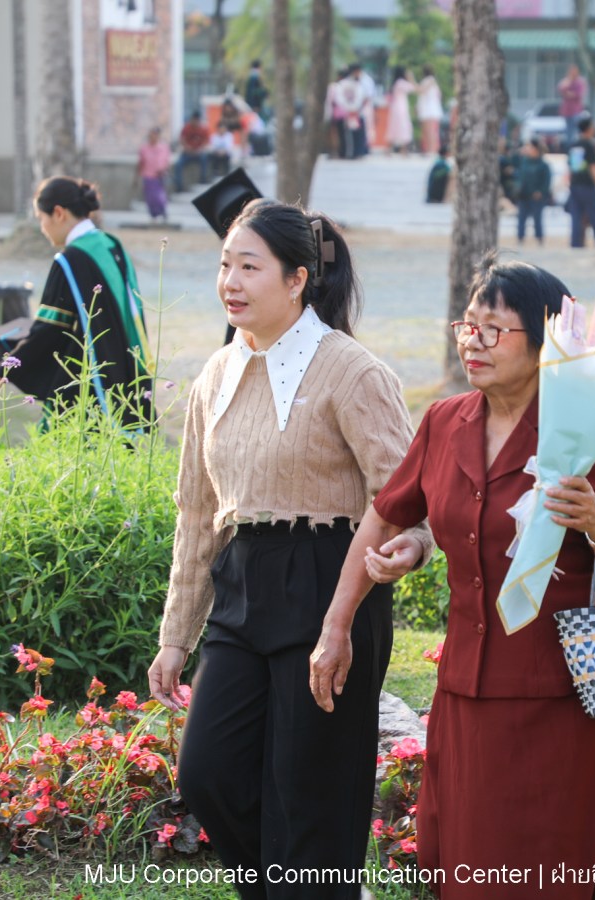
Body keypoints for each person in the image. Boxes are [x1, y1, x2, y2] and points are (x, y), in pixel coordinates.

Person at [314, 255, 595, 899]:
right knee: (465, 866)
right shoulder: (445, 422)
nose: (474, 342)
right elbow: (384, 519)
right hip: (466, 690)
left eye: (494, 329)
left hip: (562, 698)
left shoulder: (584, 431)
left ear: (546, 340)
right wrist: (339, 622)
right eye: (467, 327)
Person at [149, 199, 433, 900]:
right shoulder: (214, 375)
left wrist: (413, 547)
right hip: (242, 584)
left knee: (310, 794)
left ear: (297, 278)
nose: (230, 281)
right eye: (224, 264)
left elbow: (408, 495)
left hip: (330, 583)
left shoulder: (350, 370)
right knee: (209, 775)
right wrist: (175, 637)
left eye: (250, 266)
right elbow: (197, 514)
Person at [0, 176, 152, 432]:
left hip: (88, 387)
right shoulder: (111, 246)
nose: (42, 227)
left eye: (41, 218)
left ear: (58, 213)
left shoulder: (71, 260)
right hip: (123, 374)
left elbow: (50, 330)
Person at [566, 116, 595, 249]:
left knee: (576, 218)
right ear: (589, 128)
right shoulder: (589, 144)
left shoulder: (574, 144)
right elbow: (593, 168)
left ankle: (576, 244)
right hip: (588, 186)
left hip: (575, 185)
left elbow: (573, 167)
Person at [515, 139, 551, 245]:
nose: (528, 149)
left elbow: (546, 181)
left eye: (530, 147)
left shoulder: (543, 165)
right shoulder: (524, 162)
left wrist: (541, 191)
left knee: (537, 219)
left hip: (537, 197)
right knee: (521, 218)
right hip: (524, 195)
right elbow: (520, 177)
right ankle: (520, 238)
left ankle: (539, 239)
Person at [136, 126, 170, 221]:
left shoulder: (163, 147)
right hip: (148, 175)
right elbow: (140, 163)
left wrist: (164, 170)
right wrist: (136, 177)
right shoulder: (144, 148)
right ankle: (153, 215)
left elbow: (166, 161)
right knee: (150, 197)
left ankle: (163, 212)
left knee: (160, 197)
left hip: (160, 176)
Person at [174, 111, 212, 193]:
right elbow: (182, 140)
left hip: (198, 153)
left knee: (205, 158)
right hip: (188, 153)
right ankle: (179, 185)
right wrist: (188, 148)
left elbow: (206, 142)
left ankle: (203, 178)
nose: (195, 122)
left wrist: (199, 149)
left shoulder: (203, 129)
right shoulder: (186, 128)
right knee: (178, 164)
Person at [386, 66, 416, 154]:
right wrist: (411, 78)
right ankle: (403, 150)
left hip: (396, 107)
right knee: (403, 127)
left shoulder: (396, 82)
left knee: (395, 127)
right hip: (401, 107)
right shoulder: (401, 83)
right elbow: (414, 88)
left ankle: (390, 150)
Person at [557, 63, 588, 149]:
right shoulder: (567, 81)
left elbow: (579, 94)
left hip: (576, 110)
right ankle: (569, 149)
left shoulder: (580, 82)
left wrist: (569, 94)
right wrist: (569, 81)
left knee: (576, 131)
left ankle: (577, 148)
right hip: (567, 111)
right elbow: (561, 89)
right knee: (568, 132)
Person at [416, 65, 444, 156]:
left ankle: (432, 150)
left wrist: (411, 79)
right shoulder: (430, 81)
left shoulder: (431, 80)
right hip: (426, 109)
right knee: (427, 131)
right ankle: (428, 149)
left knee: (431, 131)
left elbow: (421, 90)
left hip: (430, 110)